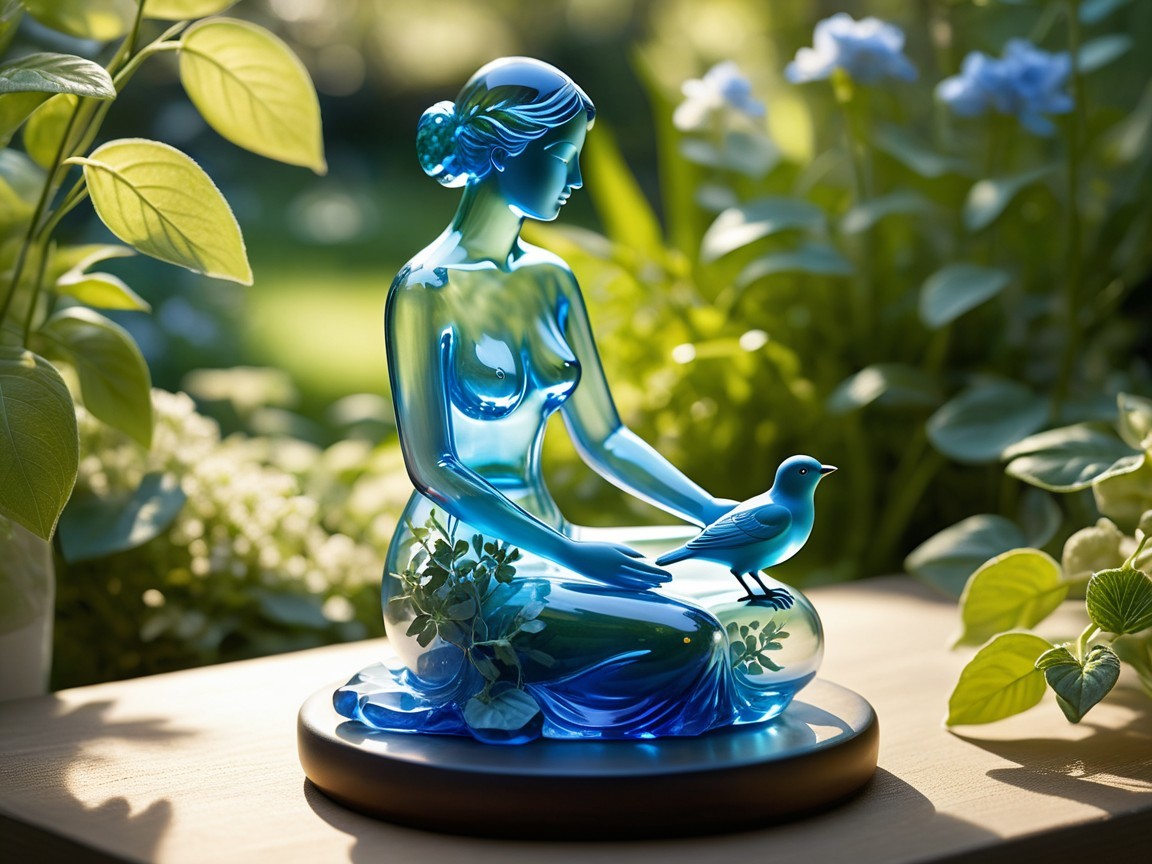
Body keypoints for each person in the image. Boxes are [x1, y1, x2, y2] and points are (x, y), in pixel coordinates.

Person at [334, 58, 821, 743]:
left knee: (783, 615)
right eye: (564, 158)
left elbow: (606, 438)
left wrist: (710, 512)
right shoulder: (426, 289)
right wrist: (571, 553)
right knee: (690, 641)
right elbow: (436, 470)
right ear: (506, 152)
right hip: (460, 573)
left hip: (555, 542)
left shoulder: (551, 280)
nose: (579, 179)